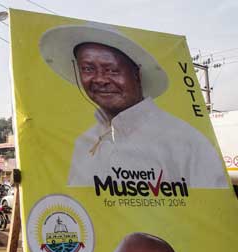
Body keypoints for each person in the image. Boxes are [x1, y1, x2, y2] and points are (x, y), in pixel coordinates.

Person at [39, 22, 228, 188]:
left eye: (112, 70)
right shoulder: (85, 143)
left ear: (136, 74)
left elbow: (208, 215)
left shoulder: (186, 142)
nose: (100, 80)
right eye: (88, 69)